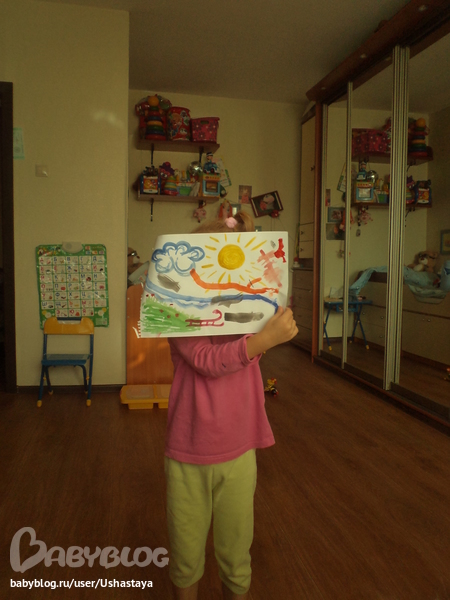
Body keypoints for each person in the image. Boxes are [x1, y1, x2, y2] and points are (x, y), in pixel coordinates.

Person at [165, 211, 298, 600]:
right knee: (186, 552)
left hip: (239, 449)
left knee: (237, 550)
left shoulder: (249, 310)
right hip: (190, 450)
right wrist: (264, 340)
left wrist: (271, 319)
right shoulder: (180, 313)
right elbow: (208, 361)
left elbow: (254, 335)